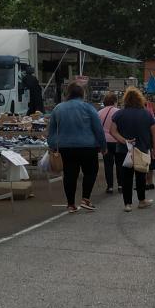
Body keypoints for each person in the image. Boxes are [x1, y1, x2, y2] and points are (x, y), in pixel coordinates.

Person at [47, 82, 106, 213]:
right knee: (90, 172)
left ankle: (70, 204)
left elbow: (51, 130)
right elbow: (98, 129)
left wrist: (52, 145)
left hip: (65, 147)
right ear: (82, 94)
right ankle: (85, 198)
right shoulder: (88, 108)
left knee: (69, 174)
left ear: (68, 94)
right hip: (88, 146)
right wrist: (103, 145)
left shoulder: (58, 108)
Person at [108, 86, 155, 211]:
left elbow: (112, 131)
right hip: (141, 149)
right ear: (139, 99)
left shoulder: (119, 114)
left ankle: (127, 204)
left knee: (126, 177)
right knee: (141, 175)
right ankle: (141, 201)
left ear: (125, 100)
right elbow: (154, 132)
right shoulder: (146, 114)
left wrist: (124, 141)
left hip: (123, 150)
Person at [98, 92, 124, 195]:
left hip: (105, 141)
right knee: (119, 163)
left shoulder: (99, 113)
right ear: (115, 101)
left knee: (108, 164)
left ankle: (109, 186)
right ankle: (121, 185)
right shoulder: (119, 112)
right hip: (117, 140)